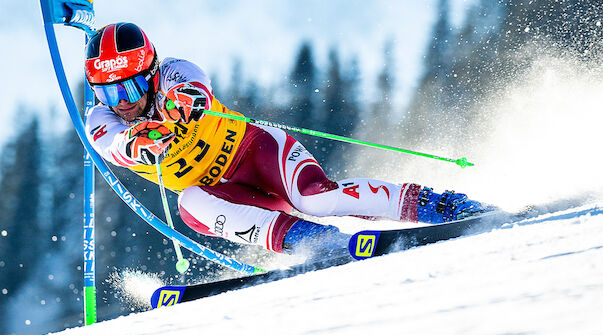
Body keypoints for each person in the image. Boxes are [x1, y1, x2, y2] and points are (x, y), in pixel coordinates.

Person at [84, 23, 489, 257]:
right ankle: (313, 242)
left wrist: (180, 106)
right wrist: (136, 142)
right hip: (223, 196)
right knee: (189, 203)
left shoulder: (173, 69)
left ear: (151, 72)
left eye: (131, 89)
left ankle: (435, 203)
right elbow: (115, 145)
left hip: (256, 152)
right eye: (109, 93)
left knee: (315, 197)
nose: (124, 104)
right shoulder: (101, 119)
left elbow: (194, 89)